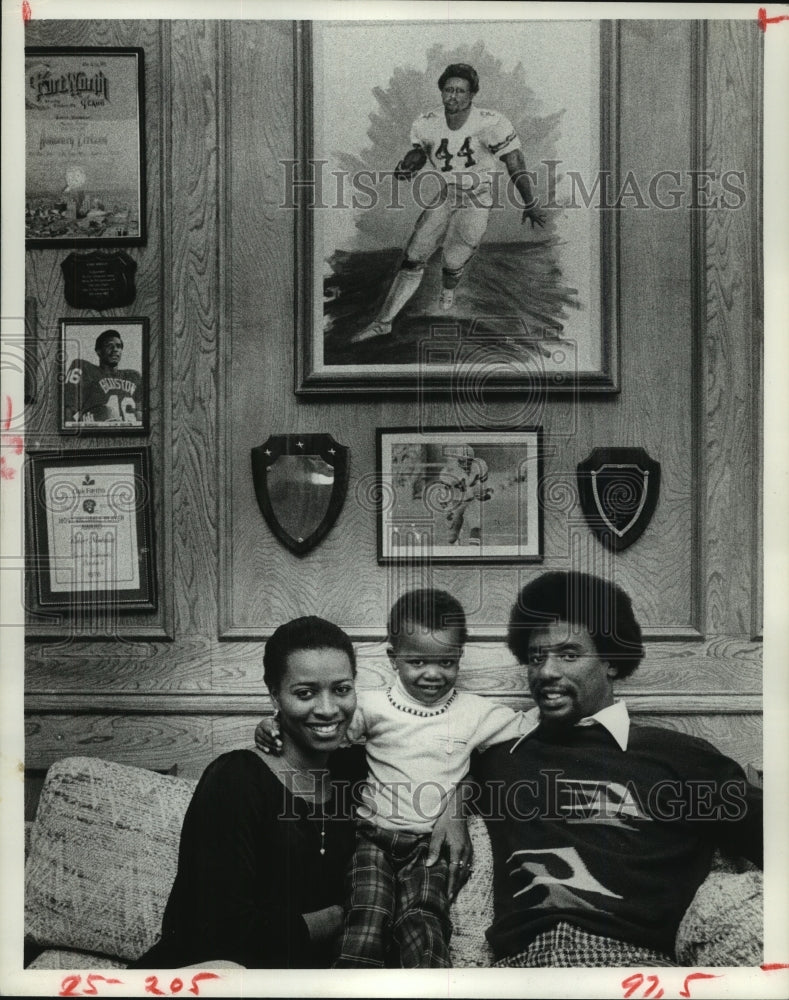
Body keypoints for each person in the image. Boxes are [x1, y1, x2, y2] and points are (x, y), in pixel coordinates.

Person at [464, 571, 763, 968]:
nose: (546, 671)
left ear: (610, 661)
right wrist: (452, 804)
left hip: (633, 966)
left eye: (569, 655)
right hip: (518, 972)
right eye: (536, 657)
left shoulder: (676, 755)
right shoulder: (502, 757)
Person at [256, 589, 539, 968]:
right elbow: (321, 728)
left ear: (459, 657)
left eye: (447, 662)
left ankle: (431, 988)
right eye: (417, 661)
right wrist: (272, 724)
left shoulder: (475, 712)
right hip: (372, 837)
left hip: (428, 847)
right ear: (394, 658)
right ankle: (351, 985)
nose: (433, 673)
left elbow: (529, 725)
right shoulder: (371, 706)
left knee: (424, 919)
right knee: (366, 913)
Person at [131, 616, 367, 969]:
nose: (328, 708)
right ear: (274, 694)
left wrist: (450, 810)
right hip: (209, 979)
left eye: (342, 689)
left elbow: (438, 752)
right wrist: (340, 917)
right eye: (304, 693)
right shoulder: (235, 779)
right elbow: (216, 933)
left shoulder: (357, 772)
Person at [352, 62, 546, 344]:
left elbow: (515, 162)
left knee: (454, 259)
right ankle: (384, 322)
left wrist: (529, 201)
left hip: (477, 197)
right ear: (441, 91)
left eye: (460, 91)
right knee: (413, 255)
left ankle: (448, 288)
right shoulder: (426, 122)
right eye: (448, 89)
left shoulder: (491, 122)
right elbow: (421, 151)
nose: (453, 96)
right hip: (447, 193)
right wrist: (409, 165)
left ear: (472, 94)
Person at [63, 328, 142, 425]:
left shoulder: (133, 376)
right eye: (109, 346)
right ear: (98, 351)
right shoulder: (86, 370)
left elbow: (142, 414)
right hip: (96, 432)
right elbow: (67, 411)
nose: (115, 349)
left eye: (119, 346)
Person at [436, 444, 492, 545]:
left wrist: (485, 493)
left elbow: (485, 483)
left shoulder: (479, 466)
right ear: (458, 460)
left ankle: (473, 551)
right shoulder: (449, 471)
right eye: (462, 461)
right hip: (455, 502)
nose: (466, 464)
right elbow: (442, 494)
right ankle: (457, 546)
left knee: (476, 526)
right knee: (453, 536)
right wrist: (447, 509)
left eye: (468, 461)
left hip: (471, 500)